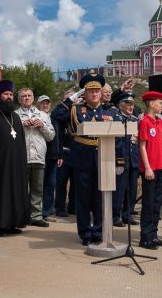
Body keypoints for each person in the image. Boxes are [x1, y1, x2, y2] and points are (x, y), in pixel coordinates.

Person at [51, 73, 114, 246]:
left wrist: (119, 161)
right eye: (90, 91)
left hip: (103, 157)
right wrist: (73, 98)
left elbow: (119, 138)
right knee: (83, 198)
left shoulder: (110, 111)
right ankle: (85, 232)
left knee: (101, 197)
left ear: (101, 93)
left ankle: (99, 231)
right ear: (84, 93)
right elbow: (56, 115)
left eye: (97, 91)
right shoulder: (75, 109)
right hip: (82, 157)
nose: (94, 94)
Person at [0, 80, 30, 236]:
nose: (9, 97)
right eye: (5, 94)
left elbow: (22, 142)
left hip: (16, 165)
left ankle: (12, 224)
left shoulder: (16, 118)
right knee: (0, 196)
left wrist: (24, 163)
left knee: (15, 193)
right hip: (0, 165)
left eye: (10, 94)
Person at [15, 88, 55, 227]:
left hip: (38, 156)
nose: (26, 98)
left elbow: (51, 136)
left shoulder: (43, 115)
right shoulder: (15, 115)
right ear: (19, 99)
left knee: (37, 189)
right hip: (21, 157)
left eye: (29, 95)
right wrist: (21, 125)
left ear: (33, 98)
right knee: (21, 189)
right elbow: (9, 135)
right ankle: (22, 216)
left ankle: (36, 216)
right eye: (23, 96)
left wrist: (42, 125)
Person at [138, 91, 162, 250]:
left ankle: (154, 234)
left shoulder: (159, 122)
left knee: (157, 204)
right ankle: (146, 236)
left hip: (160, 168)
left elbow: (161, 146)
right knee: (148, 204)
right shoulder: (145, 122)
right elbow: (142, 146)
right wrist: (147, 167)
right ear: (151, 104)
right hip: (149, 169)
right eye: (160, 103)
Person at [112, 92, 140, 227]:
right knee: (119, 189)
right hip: (120, 158)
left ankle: (128, 214)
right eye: (128, 104)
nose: (131, 106)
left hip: (133, 159)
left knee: (132, 189)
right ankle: (115, 216)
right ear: (120, 105)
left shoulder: (135, 120)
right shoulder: (116, 119)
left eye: (132, 104)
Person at [51, 91, 76, 217]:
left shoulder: (77, 113)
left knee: (76, 183)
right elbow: (56, 115)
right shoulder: (61, 115)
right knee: (61, 182)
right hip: (64, 152)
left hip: (77, 153)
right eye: (68, 98)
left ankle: (73, 207)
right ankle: (60, 207)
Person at [37, 95, 61, 222]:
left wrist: (59, 155)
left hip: (53, 156)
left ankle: (46, 212)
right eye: (42, 103)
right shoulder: (37, 117)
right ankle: (36, 212)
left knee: (50, 185)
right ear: (38, 105)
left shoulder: (54, 118)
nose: (45, 105)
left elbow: (59, 137)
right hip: (41, 156)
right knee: (38, 186)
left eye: (47, 103)